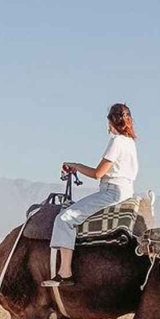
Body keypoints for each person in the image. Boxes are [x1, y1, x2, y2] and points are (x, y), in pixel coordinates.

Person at [46, 103, 139, 286]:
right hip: (127, 190)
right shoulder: (130, 143)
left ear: (110, 121)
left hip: (112, 192)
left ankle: (64, 273)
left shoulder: (117, 141)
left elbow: (98, 174)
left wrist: (75, 166)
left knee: (65, 219)